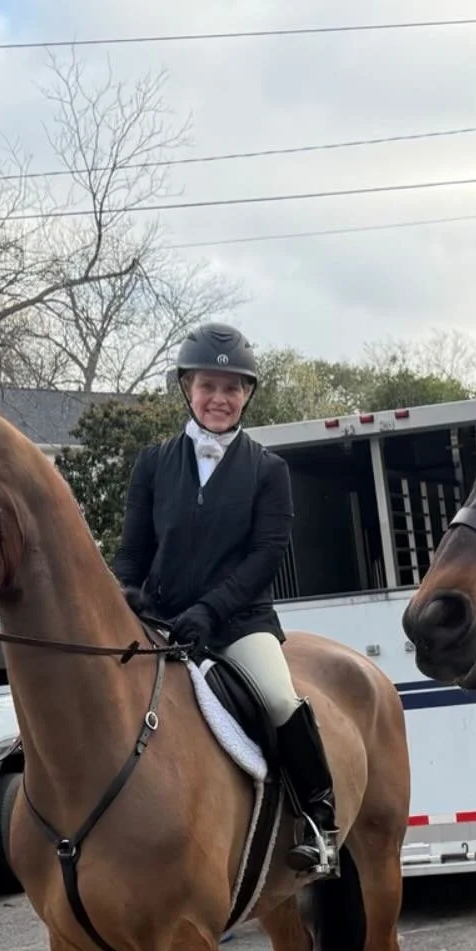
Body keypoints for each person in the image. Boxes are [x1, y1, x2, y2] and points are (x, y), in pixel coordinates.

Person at [112, 323, 339, 877]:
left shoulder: (269, 471)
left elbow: (264, 558)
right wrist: (123, 602)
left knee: (279, 699)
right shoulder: (152, 464)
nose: (219, 398)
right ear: (187, 388)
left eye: (232, 388)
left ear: (247, 395)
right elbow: (133, 552)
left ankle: (319, 821)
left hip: (239, 623)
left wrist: (210, 611)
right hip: (161, 621)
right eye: (208, 386)